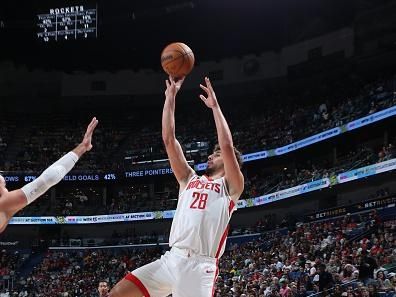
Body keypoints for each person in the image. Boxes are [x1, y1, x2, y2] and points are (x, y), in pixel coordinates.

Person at [109, 76, 244, 297]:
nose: (211, 155)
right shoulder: (189, 179)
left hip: (200, 266)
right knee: (117, 294)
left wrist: (215, 107)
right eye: (213, 152)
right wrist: (170, 98)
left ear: (232, 164)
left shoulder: (231, 186)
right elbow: (169, 139)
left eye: (216, 154)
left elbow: (228, 145)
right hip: (172, 259)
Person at [0, 117, 98, 233]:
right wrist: (82, 147)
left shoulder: (5, 205)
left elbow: (46, 180)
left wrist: (83, 147)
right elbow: (47, 179)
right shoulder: (6, 208)